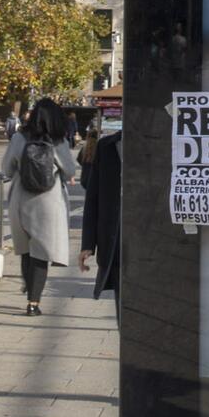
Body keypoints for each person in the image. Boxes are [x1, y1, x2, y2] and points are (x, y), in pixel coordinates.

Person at [1, 98, 77, 316]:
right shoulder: (58, 141)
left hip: (21, 199)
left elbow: (7, 169)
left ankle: (28, 285)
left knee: (26, 249)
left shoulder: (18, 138)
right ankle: (33, 302)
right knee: (41, 253)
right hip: (48, 202)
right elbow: (70, 171)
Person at [80, 120, 121, 312]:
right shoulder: (106, 147)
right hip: (116, 245)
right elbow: (93, 199)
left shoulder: (161, 144)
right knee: (124, 311)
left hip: (153, 246)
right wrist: (88, 244)